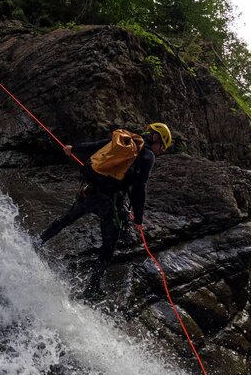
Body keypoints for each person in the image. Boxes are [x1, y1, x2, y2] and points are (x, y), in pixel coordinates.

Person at [39, 122, 173, 299]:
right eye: (161, 147)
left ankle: (37, 242)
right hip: (107, 201)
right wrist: (139, 220)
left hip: (88, 190)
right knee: (109, 245)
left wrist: (74, 148)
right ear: (156, 138)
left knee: (68, 218)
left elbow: (99, 145)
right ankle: (92, 287)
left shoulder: (125, 140)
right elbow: (138, 188)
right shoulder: (148, 156)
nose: (160, 151)